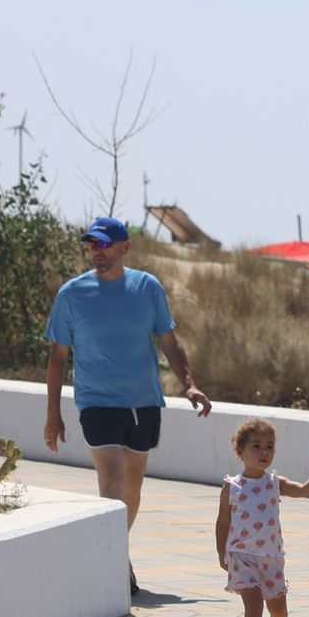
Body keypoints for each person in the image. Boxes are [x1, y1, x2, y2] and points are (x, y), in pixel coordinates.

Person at [42, 215, 213, 593]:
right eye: (92, 245)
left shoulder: (147, 288)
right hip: (96, 402)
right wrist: (53, 414)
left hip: (143, 401)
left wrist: (190, 385)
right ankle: (114, 562)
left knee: (132, 487)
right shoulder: (72, 294)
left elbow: (170, 341)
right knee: (112, 478)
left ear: (124, 247)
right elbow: (57, 356)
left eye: (104, 244)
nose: (97, 252)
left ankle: (119, 549)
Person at [216, 418, 309, 617]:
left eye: (270, 446)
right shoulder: (232, 486)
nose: (264, 452)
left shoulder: (274, 483)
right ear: (241, 452)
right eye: (256, 446)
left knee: (278, 609)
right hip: (242, 556)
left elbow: (303, 489)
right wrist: (221, 552)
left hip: (271, 557)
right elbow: (223, 521)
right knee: (253, 603)